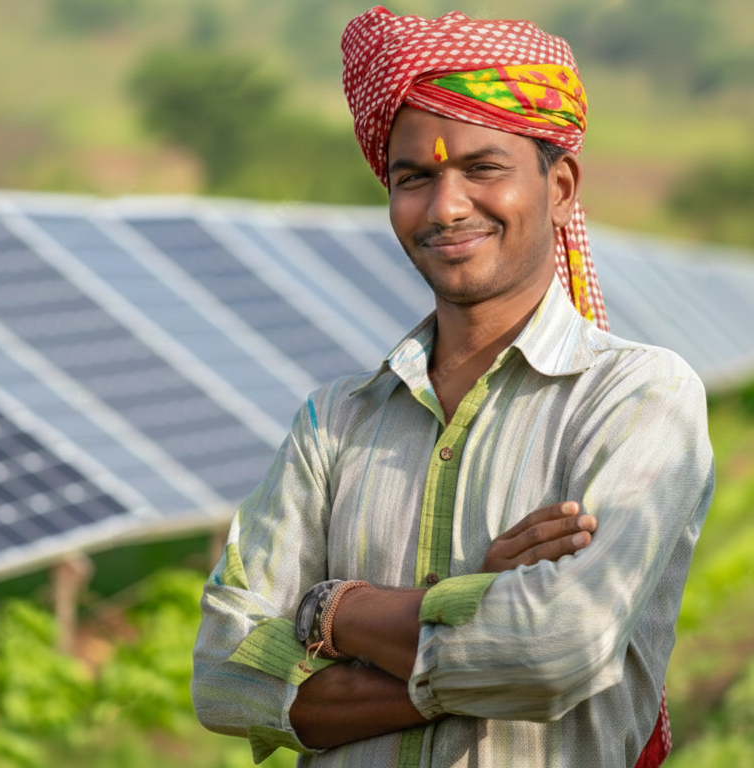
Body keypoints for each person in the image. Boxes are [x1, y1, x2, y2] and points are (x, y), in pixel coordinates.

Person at [191, 6, 714, 767]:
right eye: (415, 178)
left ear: (561, 186)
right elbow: (223, 678)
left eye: (483, 168)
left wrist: (335, 610)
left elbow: (556, 649)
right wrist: (476, 610)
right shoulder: (334, 420)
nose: (445, 207)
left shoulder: (637, 399)